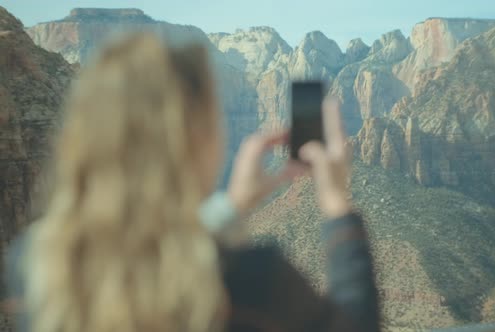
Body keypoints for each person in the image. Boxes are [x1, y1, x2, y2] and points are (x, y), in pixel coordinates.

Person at [3, 33, 378, 332]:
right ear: (194, 137)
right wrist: (336, 204)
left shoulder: (34, 264)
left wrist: (233, 205)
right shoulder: (251, 279)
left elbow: (147, 258)